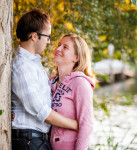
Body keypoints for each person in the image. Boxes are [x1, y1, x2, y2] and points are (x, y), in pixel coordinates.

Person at [11, 9, 78, 150]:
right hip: (29, 140)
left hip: (36, 140)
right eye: (47, 37)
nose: (48, 42)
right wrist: (75, 124)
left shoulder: (33, 62)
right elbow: (41, 111)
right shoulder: (22, 66)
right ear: (34, 36)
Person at [49, 34, 95, 150]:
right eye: (59, 45)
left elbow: (87, 125)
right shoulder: (50, 83)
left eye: (65, 47)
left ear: (76, 58)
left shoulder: (80, 83)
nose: (58, 49)